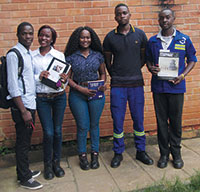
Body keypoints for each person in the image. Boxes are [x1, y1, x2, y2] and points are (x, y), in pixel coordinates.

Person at [103, 3, 153, 168]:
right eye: (118, 14)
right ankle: (118, 152)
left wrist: (132, 70)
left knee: (138, 119)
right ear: (115, 17)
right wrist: (117, 74)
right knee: (118, 120)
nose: (122, 16)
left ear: (129, 14)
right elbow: (108, 62)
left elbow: (143, 58)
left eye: (124, 13)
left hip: (136, 84)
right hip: (118, 85)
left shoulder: (139, 34)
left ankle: (141, 151)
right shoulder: (110, 37)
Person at [146, 8, 197, 169]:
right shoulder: (153, 41)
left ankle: (176, 154)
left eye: (167, 17)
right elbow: (147, 60)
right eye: (161, 18)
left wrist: (182, 75)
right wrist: (150, 68)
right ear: (158, 21)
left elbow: (192, 59)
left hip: (176, 87)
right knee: (161, 123)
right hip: (159, 88)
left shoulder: (183, 39)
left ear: (173, 18)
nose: (165, 21)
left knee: (175, 122)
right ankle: (163, 154)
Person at [6, 22, 43, 190]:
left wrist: (40, 76)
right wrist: (23, 111)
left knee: (26, 141)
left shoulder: (27, 53)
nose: (28, 37)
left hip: (30, 102)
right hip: (23, 107)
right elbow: (13, 86)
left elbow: (27, 80)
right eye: (24, 34)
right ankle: (24, 178)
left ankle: (24, 170)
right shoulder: (14, 55)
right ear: (18, 35)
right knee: (22, 143)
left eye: (30, 33)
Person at [64, 26, 106, 170]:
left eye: (88, 37)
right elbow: (67, 78)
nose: (85, 40)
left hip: (95, 93)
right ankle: (82, 155)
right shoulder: (71, 57)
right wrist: (79, 88)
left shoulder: (98, 55)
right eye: (82, 37)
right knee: (82, 126)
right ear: (78, 39)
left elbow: (103, 73)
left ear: (91, 39)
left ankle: (95, 154)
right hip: (77, 94)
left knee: (94, 125)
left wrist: (102, 84)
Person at [32, 25, 68, 180]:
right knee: (48, 132)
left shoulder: (59, 55)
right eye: (41, 35)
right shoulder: (32, 56)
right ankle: (47, 165)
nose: (44, 38)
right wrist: (38, 76)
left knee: (58, 131)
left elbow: (63, 79)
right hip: (42, 98)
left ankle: (56, 163)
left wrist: (64, 80)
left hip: (59, 97)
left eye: (47, 36)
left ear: (52, 39)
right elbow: (27, 78)